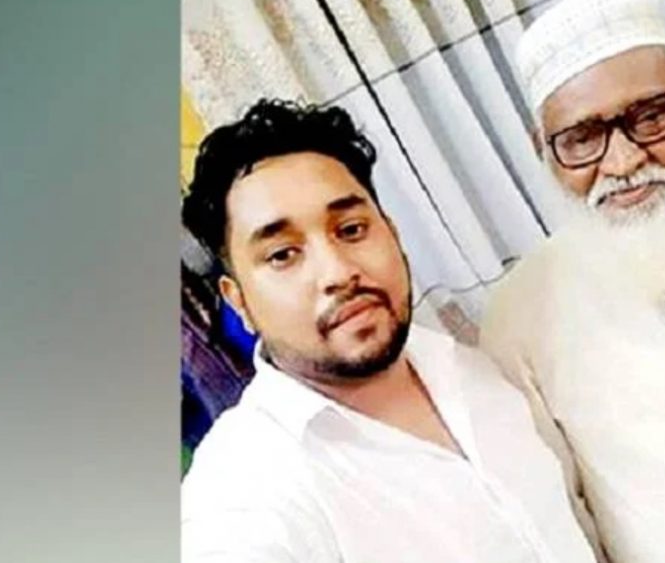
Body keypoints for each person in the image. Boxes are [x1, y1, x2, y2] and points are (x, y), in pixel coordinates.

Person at [179, 99, 599, 563]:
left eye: (351, 229)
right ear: (238, 300)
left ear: (393, 233)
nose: (338, 271)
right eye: (282, 255)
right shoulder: (246, 489)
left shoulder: (474, 369)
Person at [480, 0, 665, 561]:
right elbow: (560, 520)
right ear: (544, 151)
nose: (624, 161)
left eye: (651, 116)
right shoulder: (518, 320)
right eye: (582, 138)